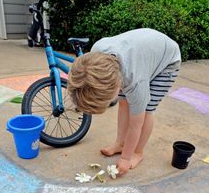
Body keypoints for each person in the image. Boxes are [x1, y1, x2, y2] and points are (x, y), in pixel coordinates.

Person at [67, 28, 181, 175]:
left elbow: (136, 125)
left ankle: (138, 152)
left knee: (146, 111)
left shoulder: (135, 83)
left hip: (167, 62)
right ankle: (120, 143)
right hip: (141, 52)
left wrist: (126, 158)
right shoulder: (97, 53)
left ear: (116, 85)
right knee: (123, 102)